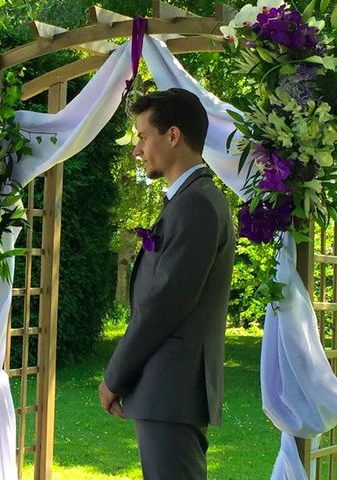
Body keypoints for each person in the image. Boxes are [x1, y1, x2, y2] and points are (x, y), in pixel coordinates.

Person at [98, 89, 235, 479]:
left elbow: (165, 305)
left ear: (172, 136)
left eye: (143, 137)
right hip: (167, 391)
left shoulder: (196, 206)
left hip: (172, 389)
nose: (137, 150)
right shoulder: (189, 201)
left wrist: (114, 376)